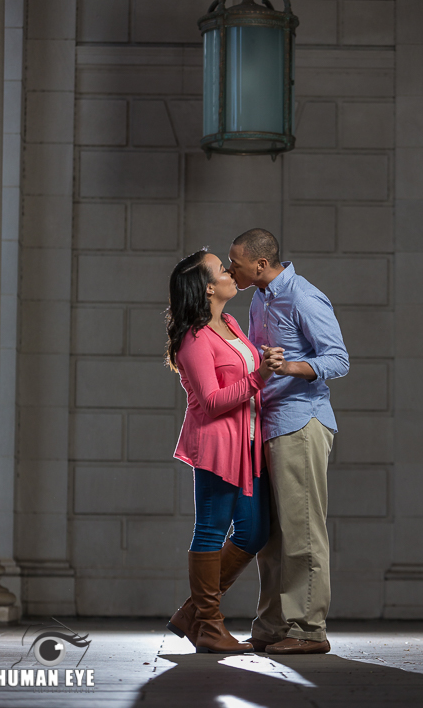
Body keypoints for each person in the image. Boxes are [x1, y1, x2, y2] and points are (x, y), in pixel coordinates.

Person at [228, 229, 349, 655]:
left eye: (236, 263)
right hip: (271, 423)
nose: (231, 270)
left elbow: (338, 359)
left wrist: (291, 366)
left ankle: (308, 629)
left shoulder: (303, 296)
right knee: (273, 536)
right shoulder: (259, 297)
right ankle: (272, 627)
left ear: (260, 264)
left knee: (303, 532)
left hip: (302, 423)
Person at [165, 249, 282, 654]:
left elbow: (246, 373)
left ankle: (192, 613)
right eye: (222, 269)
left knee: (254, 531)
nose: (232, 273)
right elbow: (212, 401)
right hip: (215, 444)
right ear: (208, 287)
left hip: (247, 443)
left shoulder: (231, 322)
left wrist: (262, 368)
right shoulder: (193, 339)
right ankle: (210, 627)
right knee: (211, 532)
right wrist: (258, 377)